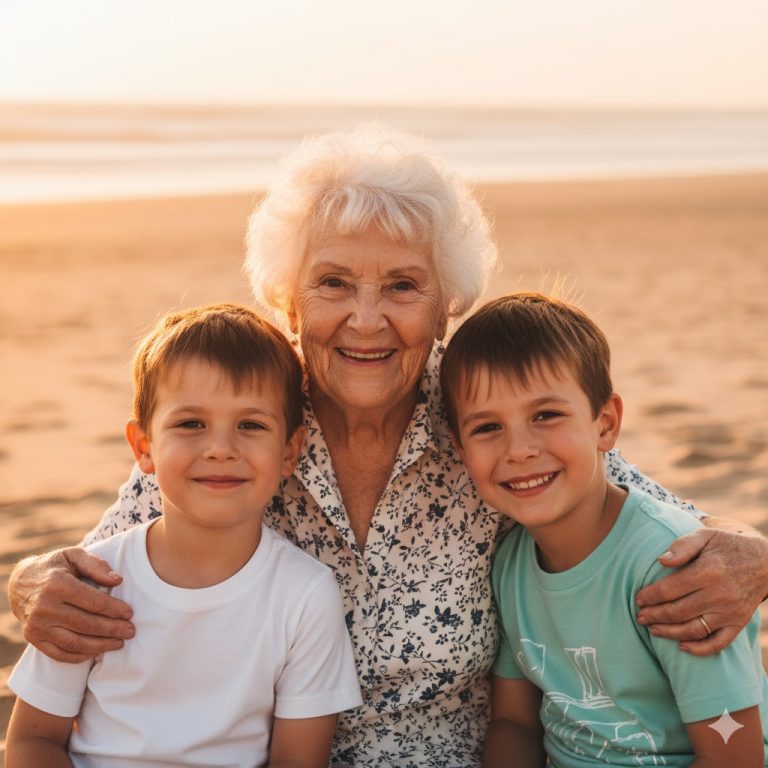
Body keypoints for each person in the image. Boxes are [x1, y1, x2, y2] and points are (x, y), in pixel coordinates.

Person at [7, 124, 768, 767]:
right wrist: (33, 579)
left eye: (403, 286)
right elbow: (94, 572)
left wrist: (753, 554)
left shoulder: (488, 423)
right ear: (286, 300)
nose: (367, 320)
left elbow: (661, 524)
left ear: (447, 307)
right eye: (333, 283)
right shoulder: (245, 428)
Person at [5, 303, 362, 768]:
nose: (219, 449)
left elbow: (298, 759)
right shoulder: (93, 584)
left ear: (290, 451)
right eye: (190, 424)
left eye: (250, 425)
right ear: (143, 447)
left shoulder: (305, 594)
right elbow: (34, 741)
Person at [440, 292, 768, 767]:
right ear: (459, 447)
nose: (520, 449)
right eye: (487, 428)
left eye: (546, 415)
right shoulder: (509, 566)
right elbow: (515, 723)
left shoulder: (675, 571)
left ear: (606, 423)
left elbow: (734, 759)